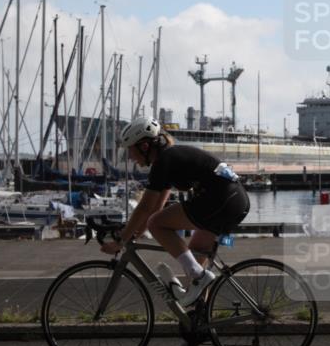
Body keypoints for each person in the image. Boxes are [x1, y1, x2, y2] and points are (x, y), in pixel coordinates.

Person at [101, 116, 250, 311]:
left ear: (144, 147)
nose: (130, 157)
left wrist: (121, 240)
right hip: (234, 201)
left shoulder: (164, 161)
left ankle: (199, 275)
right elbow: (156, 208)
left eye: (130, 149)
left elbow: (146, 209)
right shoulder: (170, 159)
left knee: (163, 231)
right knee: (195, 255)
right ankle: (200, 319)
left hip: (221, 200)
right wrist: (136, 234)